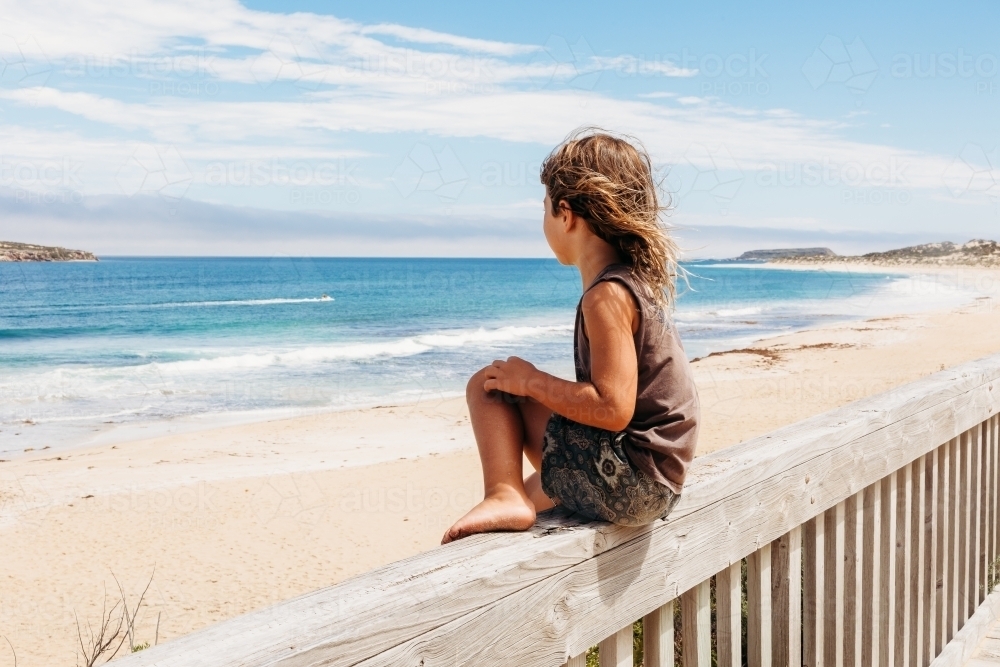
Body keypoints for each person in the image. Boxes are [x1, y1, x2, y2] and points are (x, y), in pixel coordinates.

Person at [441, 129, 700, 544]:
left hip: (636, 482)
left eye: (545, 209)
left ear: (566, 213)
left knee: (490, 386)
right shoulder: (633, 284)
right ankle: (514, 500)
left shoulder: (606, 296)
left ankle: (501, 494)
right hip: (658, 481)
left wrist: (530, 382)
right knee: (531, 489)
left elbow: (613, 408)